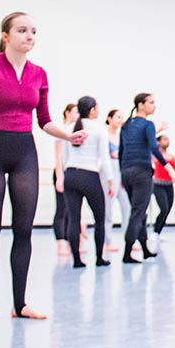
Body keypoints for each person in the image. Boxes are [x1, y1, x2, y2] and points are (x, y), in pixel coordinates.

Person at [0, 11, 86, 318]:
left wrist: (69, 136)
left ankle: (19, 304)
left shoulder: (39, 73)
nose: (30, 36)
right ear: (6, 36)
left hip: (24, 152)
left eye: (33, 31)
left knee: (23, 230)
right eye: (22, 30)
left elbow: (45, 121)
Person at [61, 96, 113, 268]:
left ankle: (77, 259)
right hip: (90, 175)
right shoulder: (99, 130)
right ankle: (99, 258)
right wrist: (111, 180)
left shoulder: (68, 128)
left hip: (71, 174)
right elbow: (104, 159)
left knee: (73, 218)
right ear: (92, 110)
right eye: (97, 107)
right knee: (99, 218)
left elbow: (64, 158)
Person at [118, 92, 167, 263]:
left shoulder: (126, 125)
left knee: (140, 212)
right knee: (138, 212)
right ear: (141, 105)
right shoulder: (148, 124)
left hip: (126, 172)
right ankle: (127, 253)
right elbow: (154, 147)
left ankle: (145, 249)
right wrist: (167, 166)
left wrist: (121, 173)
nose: (154, 106)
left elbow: (121, 152)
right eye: (151, 102)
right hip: (142, 172)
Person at [52, 102, 75, 256]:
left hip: (72, 173)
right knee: (61, 208)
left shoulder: (75, 130)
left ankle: (69, 241)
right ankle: (61, 243)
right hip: (62, 171)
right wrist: (60, 177)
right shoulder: (61, 130)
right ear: (67, 113)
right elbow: (58, 156)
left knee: (70, 210)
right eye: (75, 112)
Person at [104, 108, 129, 252]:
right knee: (108, 211)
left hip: (122, 176)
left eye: (122, 117)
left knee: (127, 209)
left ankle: (129, 240)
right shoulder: (104, 135)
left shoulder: (122, 137)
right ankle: (107, 242)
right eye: (118, 117)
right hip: (109, 176)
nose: (120, 120)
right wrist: (110, 179)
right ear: (109, 118)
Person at [151, 134, 175, 240]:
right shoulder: (155, 155)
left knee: (168, 209)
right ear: (159, 142)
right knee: (164, 208)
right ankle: (155, 231)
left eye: (168, 139)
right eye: (165, 139)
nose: (168, 141)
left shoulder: (171, 156)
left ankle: (158, 231)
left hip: (169, 185)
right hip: (158, 185)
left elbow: (174, 169)